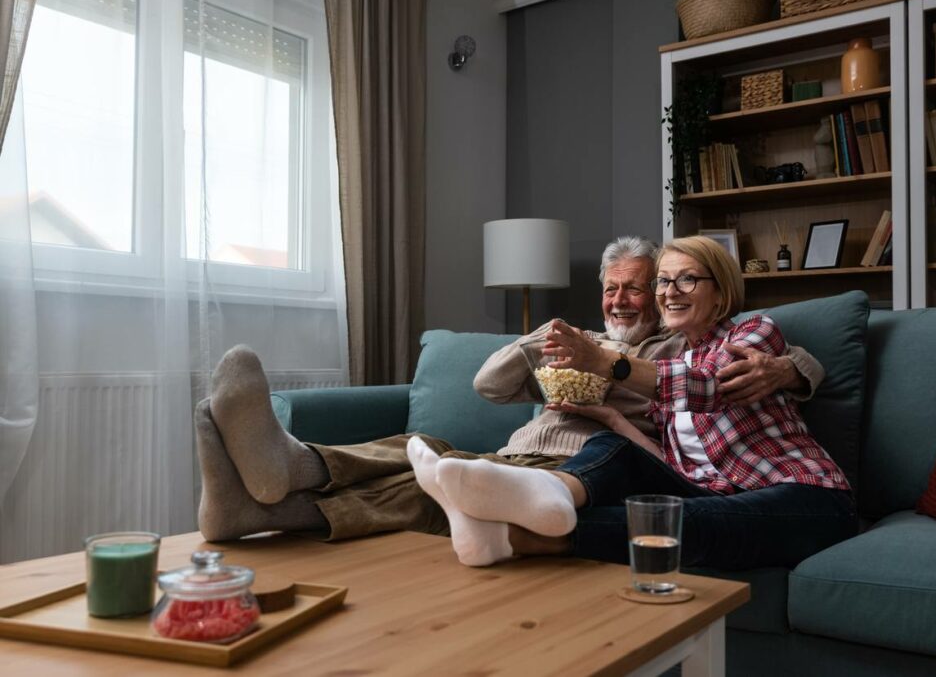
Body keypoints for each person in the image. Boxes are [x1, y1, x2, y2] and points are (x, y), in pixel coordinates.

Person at [196, 236, 825, 558]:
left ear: (719, 289)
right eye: (621, 289)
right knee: (427, 452)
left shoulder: (660, 354)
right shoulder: (588, 343)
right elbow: (488, 384)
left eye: (648, 286)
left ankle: (280, 485)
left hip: (573, 466)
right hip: (523, 453)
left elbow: (726, 374)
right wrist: (544, 339)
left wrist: (794, 369)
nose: (633, 299)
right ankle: (270, 492)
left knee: (440, 477)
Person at [408, 235, 857, 570]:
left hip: (804, 496)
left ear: (720, 291)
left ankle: (514, 537)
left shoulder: (753, 333)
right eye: (663, 282)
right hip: (709, 488)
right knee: (615, 446)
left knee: (684, 520)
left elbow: (707, 386)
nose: (670, 291)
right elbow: (664, 459)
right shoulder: (672, 356)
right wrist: (608, 418)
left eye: (687, 279)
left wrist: (606, 362)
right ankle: (547, 494)